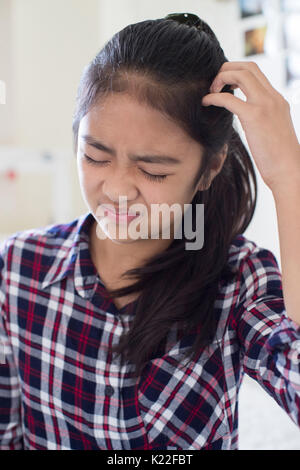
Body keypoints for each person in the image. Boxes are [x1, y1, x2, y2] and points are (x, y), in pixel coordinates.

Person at [0, 12, 299, 451]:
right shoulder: (17, 268)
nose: (117, 188)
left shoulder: (239, 280)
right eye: (95, 157)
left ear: (208, 169)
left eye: (153, 169)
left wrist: (289, 178)